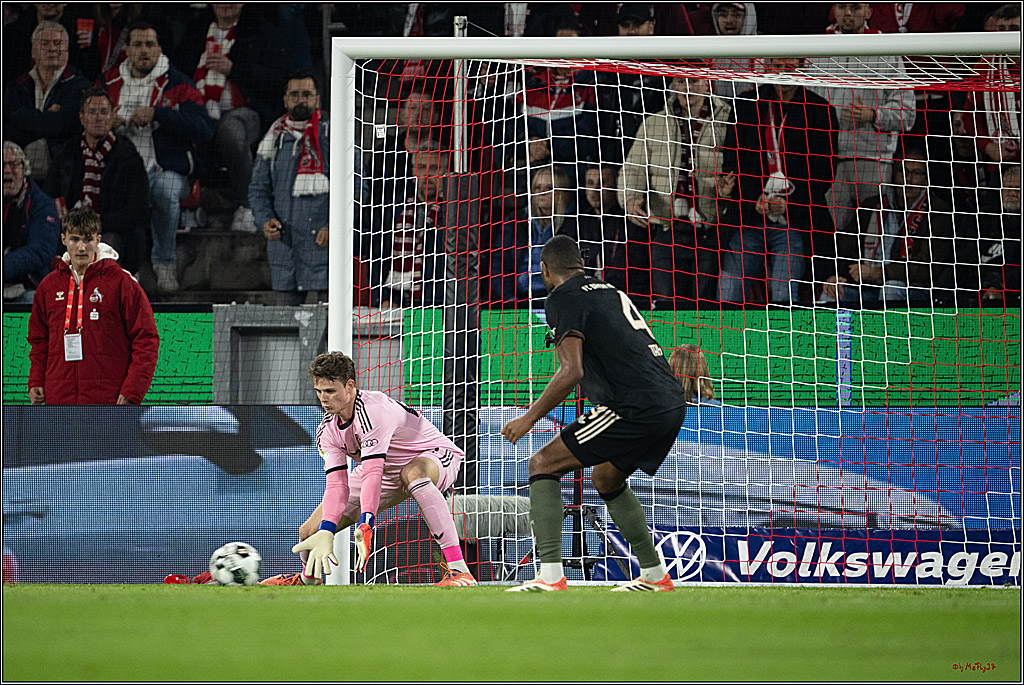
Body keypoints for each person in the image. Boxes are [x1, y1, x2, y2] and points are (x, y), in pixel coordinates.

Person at [501, 235, 687, 592]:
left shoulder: (563, 297)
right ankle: (654, 574)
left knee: (542, 464)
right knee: (606, 479)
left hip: (632, 405)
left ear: (545, 270)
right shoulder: (609, 291)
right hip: (670, 401)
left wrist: (529, 418)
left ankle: (551, 576)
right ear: (581, 264)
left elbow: (571, 372)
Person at [259, 351, 478, 588]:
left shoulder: (373, 411)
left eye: (330, 391)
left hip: (432, 457)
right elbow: (337, 486)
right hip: (385, 472)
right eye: (319, 391)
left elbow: (373, 472)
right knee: (309, 532)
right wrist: (327, 529)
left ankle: (459, 570)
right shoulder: (327, 431)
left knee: (413, 475)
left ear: (350, 386)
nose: (323, 398)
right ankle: (307, 579)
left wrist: (366, 523)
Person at [99, 20, 213, 292]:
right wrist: (106, 122)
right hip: (122, 173)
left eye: (150, 44)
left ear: (160, 48)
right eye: (137, 44)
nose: (144, 50)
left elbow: (205, 129)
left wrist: (158, 114)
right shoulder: (109, 82)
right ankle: (128, 272)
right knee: (122, 193)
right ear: (127, 49)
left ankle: (164, 264)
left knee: (164, 189)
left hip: (166, 171)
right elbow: (87, 117)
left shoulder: (178, 83)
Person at [719, 57, 837, 305]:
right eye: (776, 66)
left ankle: (786, 343)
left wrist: (789, 204)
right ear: (767, 67)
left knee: (783, 294)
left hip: (795, 222)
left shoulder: (820, 111)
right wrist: (753, 198)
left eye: (789, 66)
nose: (782, 73)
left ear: (803, 67)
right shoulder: (745, 105)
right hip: (749, 219)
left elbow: (824, 175)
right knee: (727, 290)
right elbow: (732, 162)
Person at [173, 3, 295, 233]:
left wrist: (233, 68)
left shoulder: (262, 31)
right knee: (176, 124)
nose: (226, 4)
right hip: (200, 112)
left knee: (230, 130)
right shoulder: (197, 30)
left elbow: (278, 79)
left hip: (248, 112)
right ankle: (188, 207)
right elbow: (178, 72)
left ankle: (248, 206)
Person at [620, 72, 737, 305]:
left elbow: (740, 170)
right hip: (667, 229)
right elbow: (633, 169)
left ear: (707, 83)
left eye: (693, 81)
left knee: (703, 305)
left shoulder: (729, 120)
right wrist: (631, 197)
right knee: (665, 306)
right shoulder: (654, 123)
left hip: (709, 230)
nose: (686, 88)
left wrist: (728, 190)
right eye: (680, 82)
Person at [27, 206, 159, 405]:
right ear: (63, 240)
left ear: (98, 240)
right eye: (75, 239)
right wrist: (36, 379)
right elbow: (39, 341)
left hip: (109, 404)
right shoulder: (48, 286)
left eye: (88, 239)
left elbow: (147, 339)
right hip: (58, 403)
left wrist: (133, 390)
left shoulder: (122, 282)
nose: (81, 247)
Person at [808, 3, 917, 238]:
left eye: (855, 7)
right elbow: (803, 109)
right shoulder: (815, 49)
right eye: (842, 7)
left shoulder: (886, 50)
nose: (848, 13)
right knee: (828, 239)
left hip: (873, 161)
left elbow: (908, 112)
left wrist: (874, 116)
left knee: (874, 238)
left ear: (869, 12)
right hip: (827, 162)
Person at [821, 145, 955, 305]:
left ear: (926, 178)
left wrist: (879, 273)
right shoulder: (871, 206)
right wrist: (835, 275)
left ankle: (888, 330)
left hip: (913, 290)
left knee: (890, 289)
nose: (908, 179)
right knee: (830, 294)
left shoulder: (939, 212)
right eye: (902, 172)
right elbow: (845, 249)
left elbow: (927, 268)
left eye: (917, 173)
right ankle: (841, 331)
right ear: (893, 174)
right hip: (867, 288)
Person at [46, 87, 150, 276]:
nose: (98, 118)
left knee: (104, 247)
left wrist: (99, 224)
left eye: (104, 112)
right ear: (82, 118)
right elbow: (51, 194)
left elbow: (139, 209)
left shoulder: (128, 155)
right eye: (92, 112)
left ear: (112, 116)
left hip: (112, 230)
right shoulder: (67, 152)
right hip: (71, 228)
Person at [249, 71, 330, 306]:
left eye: (307, 94)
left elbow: (355, 189)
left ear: (317, 99)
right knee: (285, 330)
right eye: (294, 95)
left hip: (325, 249)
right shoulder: (273, 139)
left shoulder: (334, 136)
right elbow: (258, 189)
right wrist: (265, 221)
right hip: (285, 251)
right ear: (285, 100)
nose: (300, 100)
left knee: (330, 331)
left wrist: (335, 225)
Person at [3, 20, 92, 182]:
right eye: (44, 43)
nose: (52, 48)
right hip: (15, 172)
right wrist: (46, 119)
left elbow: (65, 126)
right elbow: (7, 128)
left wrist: (24, 117)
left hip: (63, 175)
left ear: (67, 50)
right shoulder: (15, 87)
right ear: (33, 52)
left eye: (58, 43)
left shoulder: (80, 86)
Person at [3, 141, 61, 304]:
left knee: (31, 301)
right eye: (2, 165)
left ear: (24, 168)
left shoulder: (41, 204)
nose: (7, 170)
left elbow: (42, 250)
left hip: (28, 285)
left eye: (13, 164)